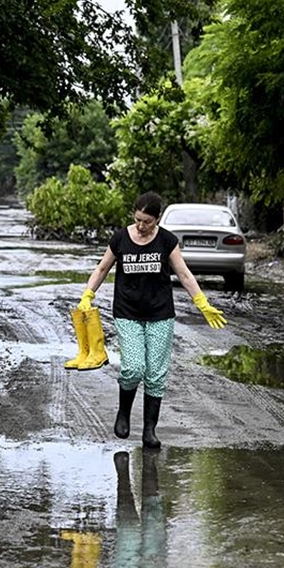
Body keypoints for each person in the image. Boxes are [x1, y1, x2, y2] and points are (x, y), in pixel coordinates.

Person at [78, 191, 227, 449]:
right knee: (133, 368)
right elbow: (102, 268)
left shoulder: (167, 241)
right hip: (127, 313)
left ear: (157, 219)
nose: (141, 226)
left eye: (147, 221)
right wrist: (88, 294)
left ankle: (149, 430)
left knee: (156, 374)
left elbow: (184, 273)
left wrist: (202, 303)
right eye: (137, 220)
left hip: (160, 314)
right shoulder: (121, 238)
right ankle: (124, 412)